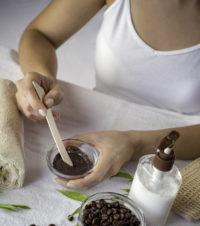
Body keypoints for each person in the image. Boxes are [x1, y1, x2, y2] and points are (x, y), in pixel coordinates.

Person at [16, 0, 200, 190]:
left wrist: (133, 143)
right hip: (93, 129)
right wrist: (41, 77)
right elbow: (39, 34)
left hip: (173, 170)